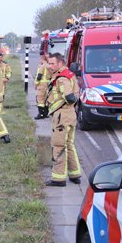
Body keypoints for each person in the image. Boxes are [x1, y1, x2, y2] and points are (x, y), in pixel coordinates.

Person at [46, 52, 82, 186]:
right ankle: (75, 174)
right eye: (49, 63)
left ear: (60, 63)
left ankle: (58, 178)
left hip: (62, 116)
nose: (50, 66)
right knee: (70, 145)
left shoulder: (62, 78)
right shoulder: (69, 74)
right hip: (71, 115)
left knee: (58, 145)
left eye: (52, 63)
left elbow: (69, 97)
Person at [34, 53, 50, 119]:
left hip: (41, 85)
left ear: (42, 59)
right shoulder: (49, 66)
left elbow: (39, 76)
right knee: (46, 100)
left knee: (40, 99)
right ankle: (45, 114)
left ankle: (40, 114)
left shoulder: (42, 66)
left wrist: (36, 83)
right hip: (48, 84)